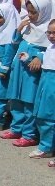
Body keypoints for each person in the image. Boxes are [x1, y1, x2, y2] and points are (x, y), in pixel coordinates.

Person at [2, 0, 53, 147]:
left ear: (43, 12)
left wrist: (39, 57)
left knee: (28, 102)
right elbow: (15, 43)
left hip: (32, 73)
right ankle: (16, 128)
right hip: (19, 69)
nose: (30, 15)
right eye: (29, 12)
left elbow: (49, 51)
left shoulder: (48, 31)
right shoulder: (28, 26)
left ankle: (29, 134)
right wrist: (19, 30)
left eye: (34, 13)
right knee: (16, 99)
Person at [31, 19, 55, 161]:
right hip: (45, 83)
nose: (51, 36)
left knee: (48, 117)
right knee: (42, 114)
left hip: (52, 85)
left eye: (54, 33)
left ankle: (46, 147)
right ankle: (46, 146)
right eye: (49, 32)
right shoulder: (50, 47)